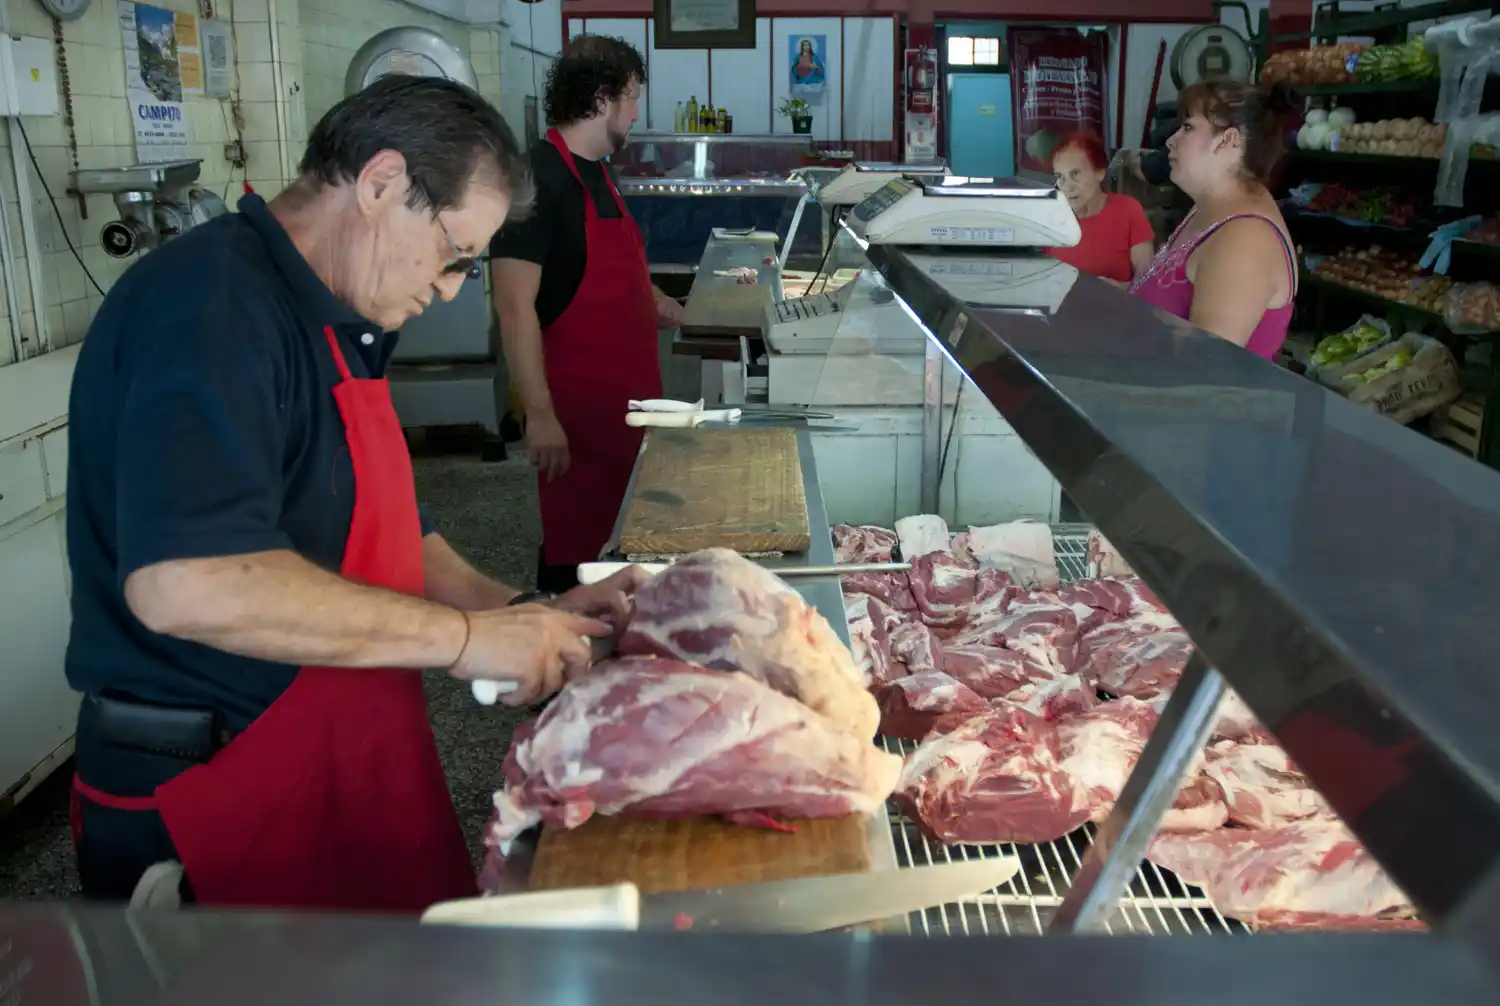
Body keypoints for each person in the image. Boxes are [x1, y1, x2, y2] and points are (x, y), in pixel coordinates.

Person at [64, 75, 644, 913]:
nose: (451, 290)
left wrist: (528, 610)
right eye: (454, 256)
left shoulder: (342, 316)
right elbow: (184, 582)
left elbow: (391, 531)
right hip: (216, 790)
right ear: (379, 185)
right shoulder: (210, 307)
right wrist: (464, 640)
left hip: (337, 754)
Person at [491, 35, 683, 595]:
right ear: (602, 99)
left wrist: (662, 305)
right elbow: (513, 306)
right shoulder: (537, 178)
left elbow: (605, 267)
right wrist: (540, 414)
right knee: (576, 563)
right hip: (576, 423)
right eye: (631, 98)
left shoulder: (597, 169)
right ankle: (559, 668)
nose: (635, 112)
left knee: (620, 555)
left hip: (626, 415)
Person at [1130, 81, 1300, 359]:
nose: (1171, 140)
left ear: (1228, 140)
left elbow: (1204, 365)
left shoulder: (1245, 240)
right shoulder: (1208, 209)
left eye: (1188, 128)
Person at [1046, 131, 1155, 286]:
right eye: (1060, 177)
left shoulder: (1128, 210)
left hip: (1116, 307)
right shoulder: (1048, 218)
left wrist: (1119, 290)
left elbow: (1147, 283)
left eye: (1075, 174)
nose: (1067, 186)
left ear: (1100, 173)